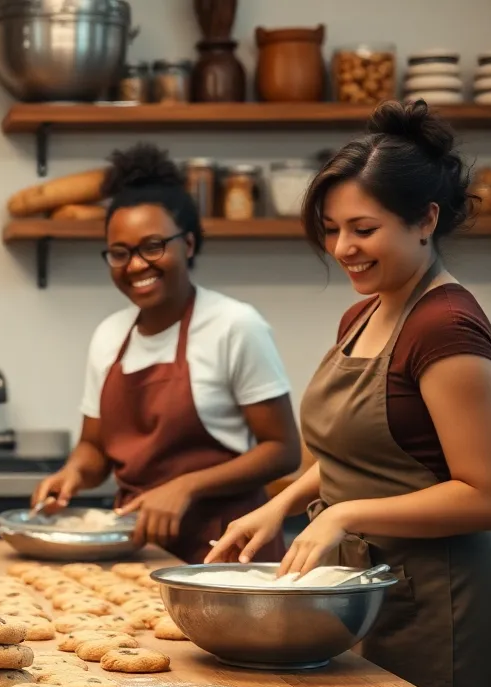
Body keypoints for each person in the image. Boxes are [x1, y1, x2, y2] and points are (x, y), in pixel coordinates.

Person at [207, 100, 491, 687]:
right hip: (366, 590)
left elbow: (489, 498)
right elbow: (360, 454)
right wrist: (281, 505)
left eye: (363, 229)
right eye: (330, 228)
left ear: (425, 220)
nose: (343, 248)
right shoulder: (364, 314)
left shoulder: (445, 329)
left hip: (442, 604)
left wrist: (345, 514)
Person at [32, 143, 301, 563]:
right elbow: (95, 448)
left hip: (228, 552)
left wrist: (186, 486)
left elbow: (282, 450)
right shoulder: (109, 335)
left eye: (153, 246)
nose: (136, 265)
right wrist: (72, 474)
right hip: (140, 551)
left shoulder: (234, 325)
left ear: (188, 244)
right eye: (119, 253)